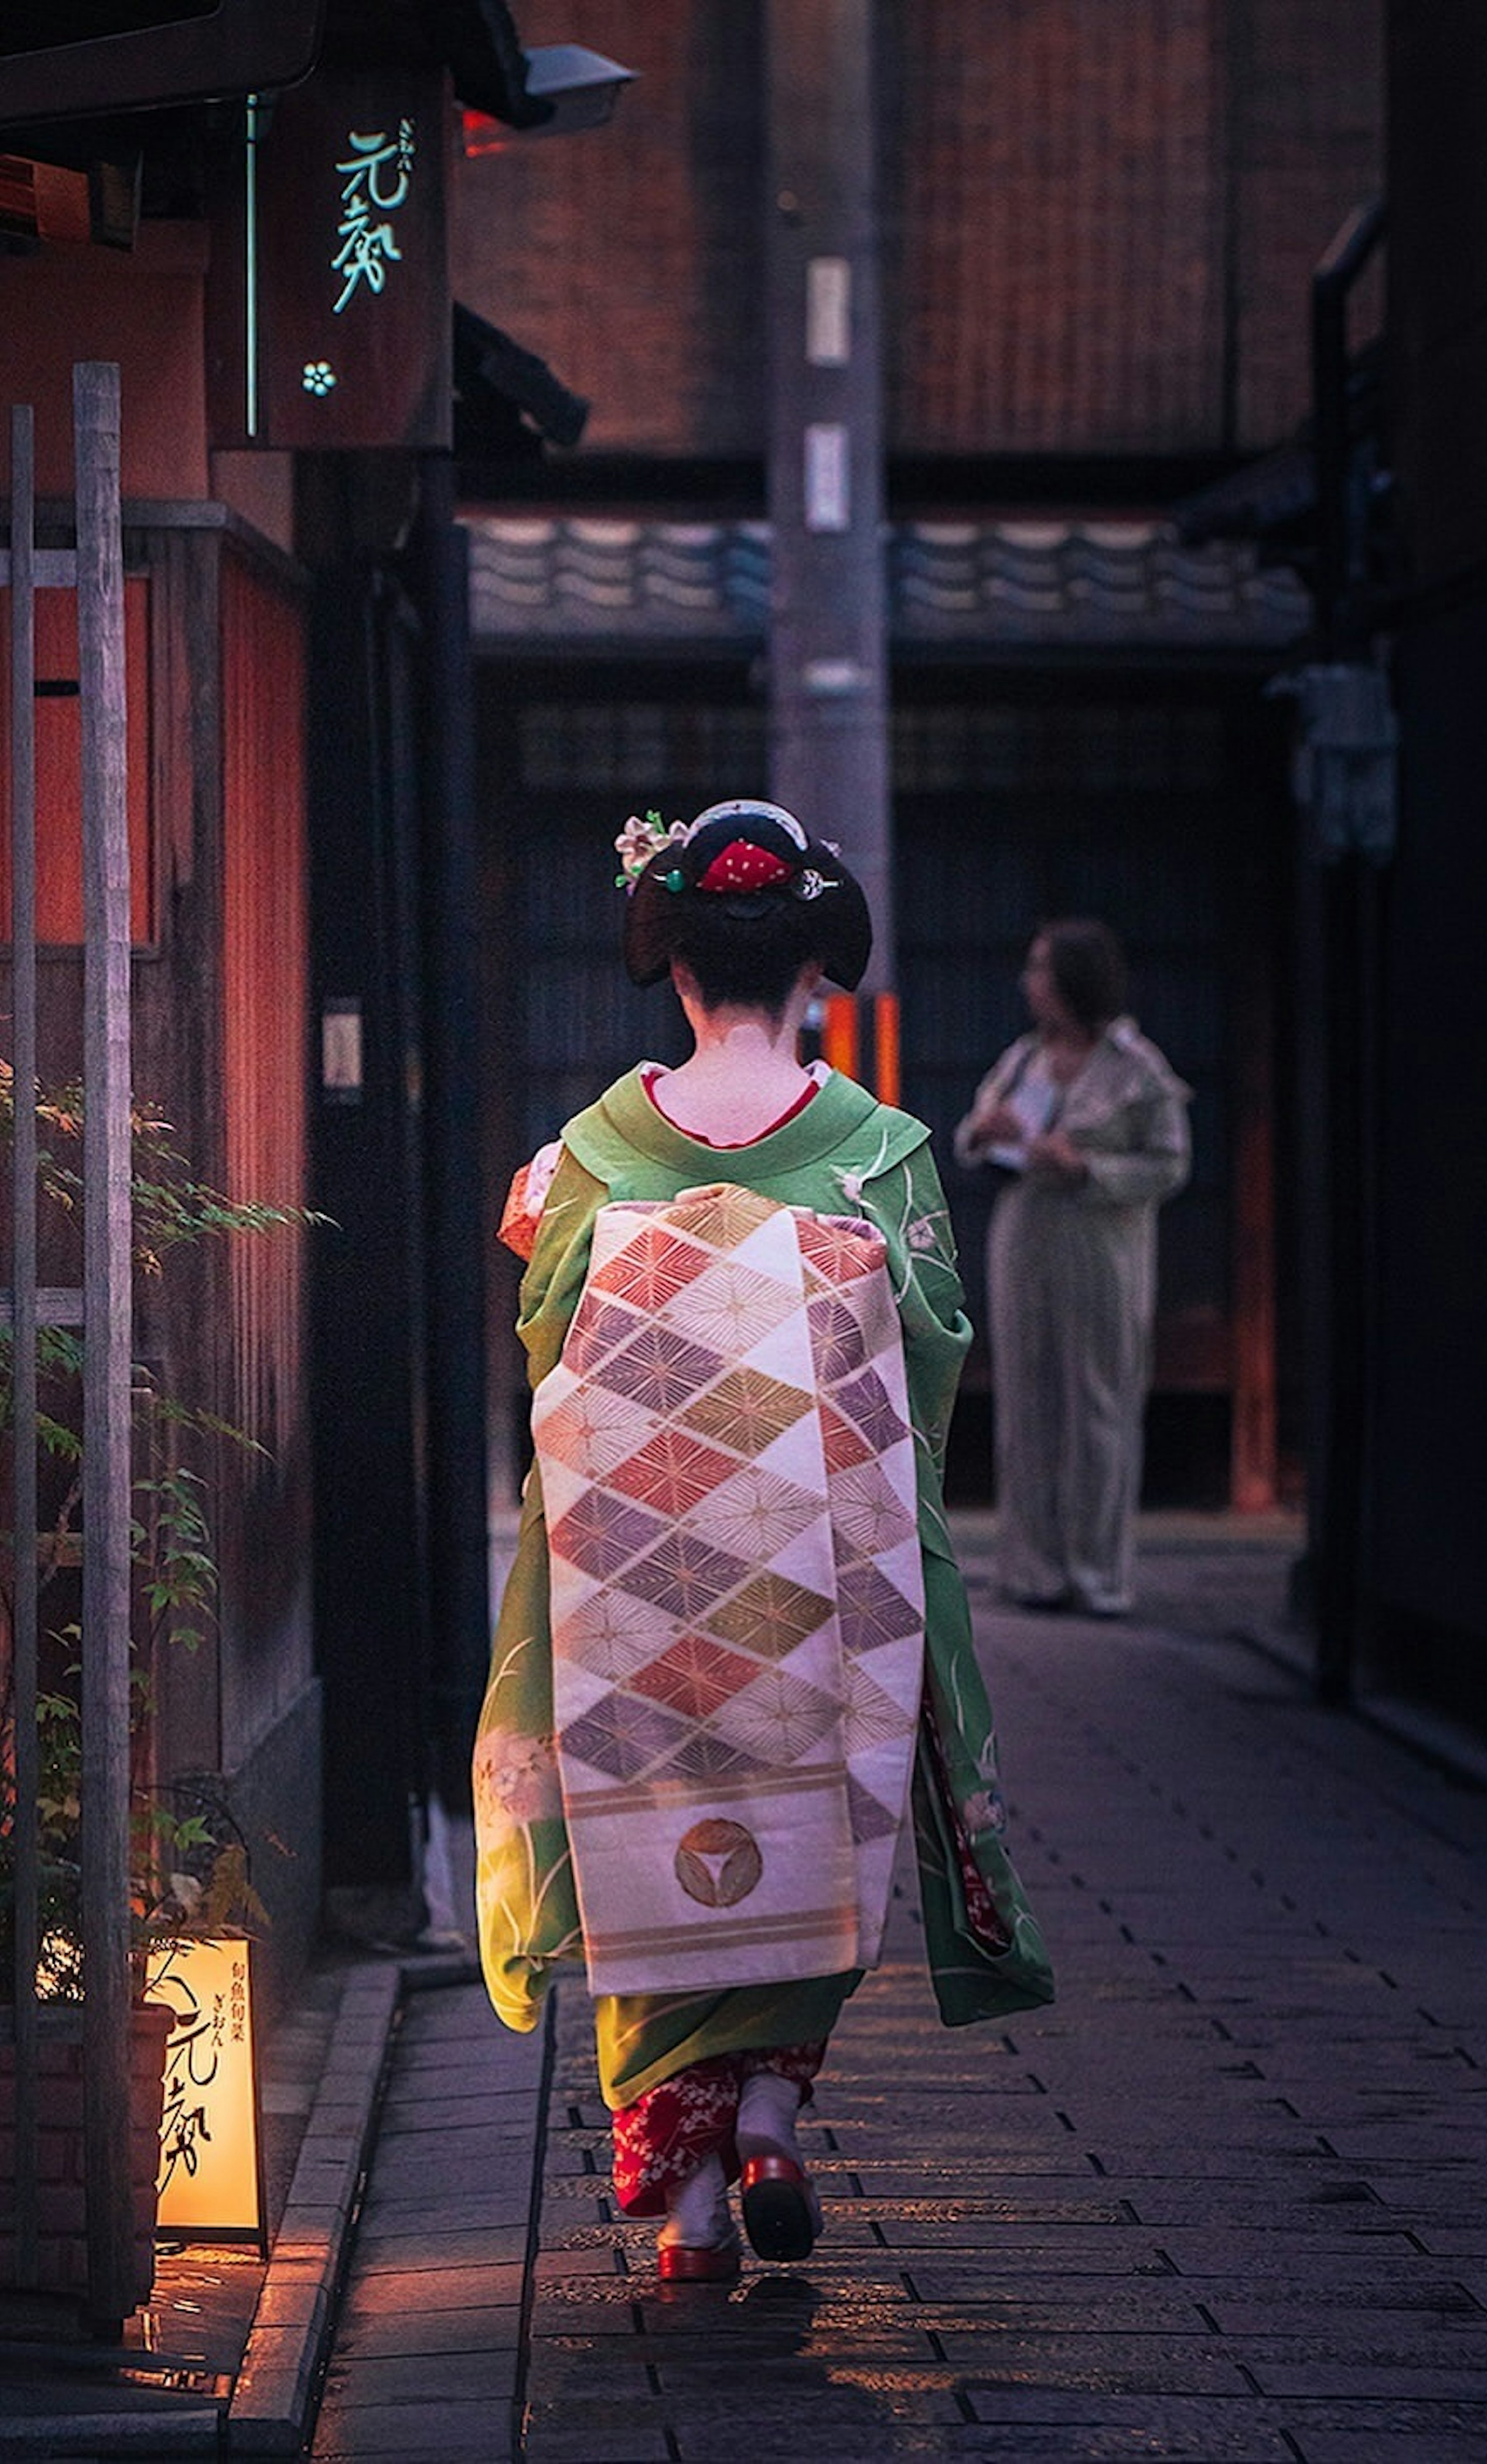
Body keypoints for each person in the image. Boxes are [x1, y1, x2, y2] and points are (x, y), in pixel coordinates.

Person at [476, 800, 1052, 2285]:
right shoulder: (882, 1153)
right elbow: (930, 1357)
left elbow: (549, 1350)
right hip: (825, 1571)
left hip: (631, 1581)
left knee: (642, 1840)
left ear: (672, 970)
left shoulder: (583, 1160)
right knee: (819, 1822)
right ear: (815, 971)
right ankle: (780, 2107)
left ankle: (684, 2212)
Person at [955, 918, 1191, 1618]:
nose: (1030, 982)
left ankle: (1096, 1571)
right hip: (1027, 1230)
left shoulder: (1133, 1064)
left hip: (1100, 1237)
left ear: (1071, 981)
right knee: (1027, 1399)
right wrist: (987, 1132)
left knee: (1099, 1399)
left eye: (1041, 968)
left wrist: (1089, 1166)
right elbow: (975, 1131)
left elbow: (1170, 1162)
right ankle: (1032, 1567)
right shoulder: (1024, 1057)